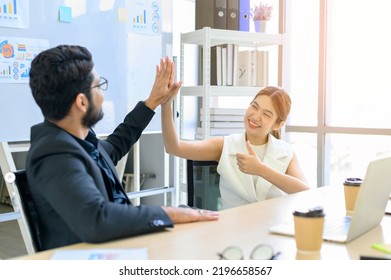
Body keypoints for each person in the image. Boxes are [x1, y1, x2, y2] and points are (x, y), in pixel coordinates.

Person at [26, 45, 218, 251]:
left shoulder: (77, 141)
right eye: (99, 87)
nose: (102, 96)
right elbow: (97, 220)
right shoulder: (55, 156)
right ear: (82, 102)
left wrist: (152, 102)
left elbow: (115, 146)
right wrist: (170, 214)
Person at [161, 86, 310, 209]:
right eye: (254, 106)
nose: (256, 116)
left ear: (278, 124)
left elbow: (306, 192)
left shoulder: (286, 152)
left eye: (266, 114)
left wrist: (261, 170)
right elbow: (174, 147)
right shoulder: (225, 145)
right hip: (231, 231)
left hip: (271, 232)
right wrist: (166, 106)